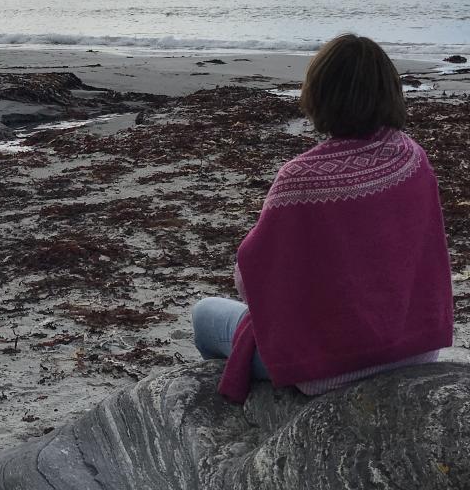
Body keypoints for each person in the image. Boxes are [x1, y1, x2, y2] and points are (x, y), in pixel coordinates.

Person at [192, 33, 453, 403]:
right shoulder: (413, 158)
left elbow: (250, 280)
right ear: (390, 90)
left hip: (331, 368)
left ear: (319, 94)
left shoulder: (299, 178)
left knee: (204, 315)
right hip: (416, 351)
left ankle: (256, 421)